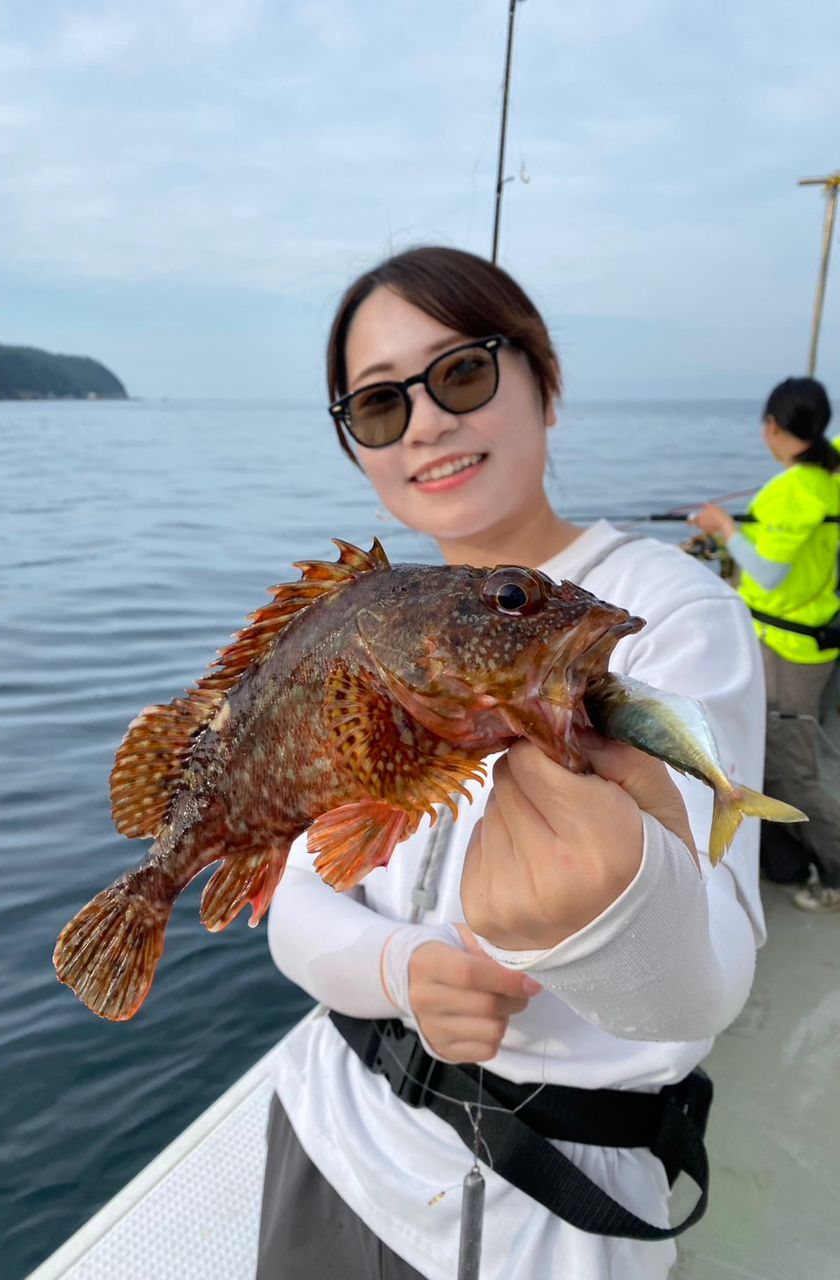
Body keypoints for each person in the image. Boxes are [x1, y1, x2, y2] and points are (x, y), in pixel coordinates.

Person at [258, 246, 767, 1280]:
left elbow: (704, 985)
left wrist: (624, 900)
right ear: (356, 445)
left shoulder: (667, 612)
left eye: (462, 374)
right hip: (321, 1128)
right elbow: (293, 903)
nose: (428, 423)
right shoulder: (374, 630)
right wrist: (401, 971)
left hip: (531, 1214)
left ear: (545, 377)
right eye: (378, 406)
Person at [690, 377, 840, 913]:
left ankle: (836, 874)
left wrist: (722, 526)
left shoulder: (791, 489)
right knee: (781, 757)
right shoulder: (832, 468)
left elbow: (770, 574)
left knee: (793, 773)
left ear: (772, 427)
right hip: (812, 638)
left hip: (788, 651)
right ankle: (784, 856)